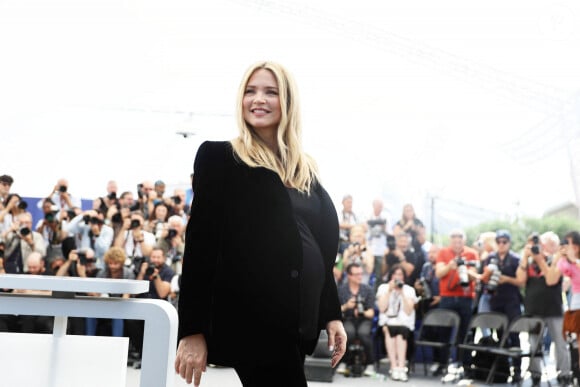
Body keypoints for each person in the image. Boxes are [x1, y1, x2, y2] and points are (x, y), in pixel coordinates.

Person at [175, 61, 347, 387]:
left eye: (271, 92)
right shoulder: (221, 158)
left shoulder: (304, 169)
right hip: (252, 323)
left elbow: (317, 248)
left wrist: (331, 314)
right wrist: (192, 330)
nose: (259, 100)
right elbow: (200, 246)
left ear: (288, 102)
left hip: (297, 323)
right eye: (250, 91)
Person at [520, 231, 572, 386]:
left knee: (560, 343)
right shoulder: (529, 261)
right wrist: (526, 256)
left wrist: (540, 259)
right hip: (533, 309)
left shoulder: (558, 261)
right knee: (534, 343)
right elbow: (521, 281)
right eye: (544, 244)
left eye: (551, 245)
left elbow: (551, 279)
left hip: (554, 309)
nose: (546, 248)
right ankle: (535, 374)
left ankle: (564, 374)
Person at [478, 229, 524, 382]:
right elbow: (483, 279)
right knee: (499, 336)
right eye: (499, 242)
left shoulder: (516, 259)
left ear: (509, 243)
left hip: (511, 301)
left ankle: (517, 369)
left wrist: (506, 279)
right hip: (495, 301)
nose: (501, 245)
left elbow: (520, 281)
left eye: (504, 242)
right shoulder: (490, 258)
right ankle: (502, 368)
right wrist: (488, 275)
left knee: (514, 335)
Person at [435, 229, 479, 368]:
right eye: (454, 240)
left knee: (465, 332)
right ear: (450, 241)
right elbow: (439, 273)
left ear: (464, 241)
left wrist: (464, 269)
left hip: (465, 297)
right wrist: (451, 265)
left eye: (460, 241)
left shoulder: (472, 253)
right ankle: (442, 363)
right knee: (443, 331)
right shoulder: (443, 253)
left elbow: (475, 275)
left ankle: (465, 364)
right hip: (447, 297)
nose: (457, 243)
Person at [376, 264, 419, 382]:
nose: (397, 277)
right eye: (395, 274)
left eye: (400, 275)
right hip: (387, 322)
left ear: (404, 277)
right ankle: (393, 367)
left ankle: (401, 367)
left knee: (400, 334)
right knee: (389, 331)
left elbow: (409, 311)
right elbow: (381, 308)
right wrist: (390, 291)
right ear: (391, 275)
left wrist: (402, 293)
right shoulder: (383, 288)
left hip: (404, 324)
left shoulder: (409, 290)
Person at [337, 263, 375, 376]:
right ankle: (344, 362)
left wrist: (362, 311)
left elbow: (371, 312)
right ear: (349, 275)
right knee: (348, 333)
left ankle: (370, 364)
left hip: (364, 319)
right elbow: (335, 310)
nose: (360, 277)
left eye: (361, 274)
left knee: (363, 334)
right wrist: (346, 306)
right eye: (356, 274)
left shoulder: (367, 289)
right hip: (347, 318)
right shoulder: (341, 290)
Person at [561, 231, 580, 371]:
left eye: (568, 243)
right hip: (576, 301)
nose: (565, 247)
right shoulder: (566, 262)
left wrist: (575, 261)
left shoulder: (575, 262)